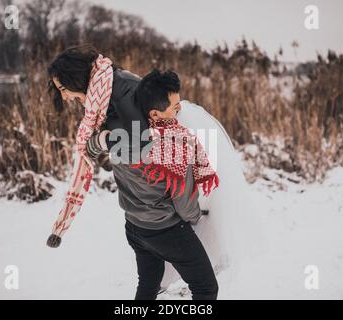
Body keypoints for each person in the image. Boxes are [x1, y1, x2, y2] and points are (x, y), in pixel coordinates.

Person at [46, 45, 219, 299]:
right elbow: (170, 172)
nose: (65, 97)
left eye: (64, 89)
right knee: (206, 288)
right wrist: (193, 216)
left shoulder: (117, 94)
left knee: (148, 286)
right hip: (163, 226)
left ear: (76, 77)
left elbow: (137, 149)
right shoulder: (106, 97)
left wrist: (101, 143)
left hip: (136, 224)